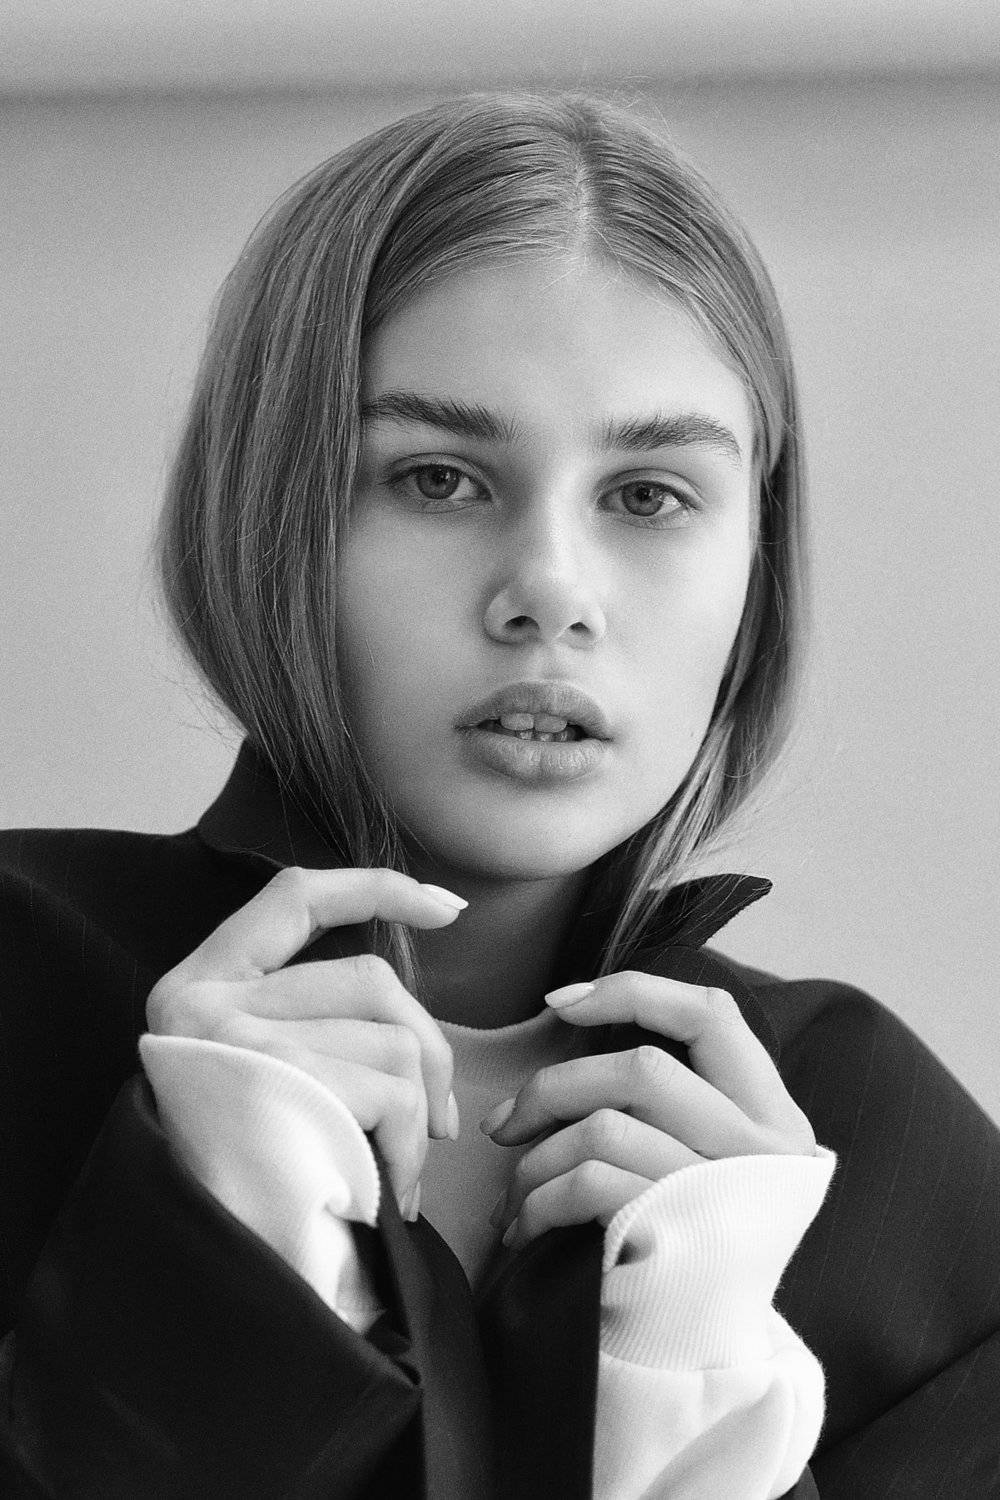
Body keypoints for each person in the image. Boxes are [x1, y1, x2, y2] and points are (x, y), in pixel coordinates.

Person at [1, 91, 998, 1500]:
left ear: (755, 566)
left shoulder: (884, 1155)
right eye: (439, 478)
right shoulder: (22, 991)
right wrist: (208, 1276)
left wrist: (697, 1389)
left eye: (649, 496)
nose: (550, 591)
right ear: (269, 509)